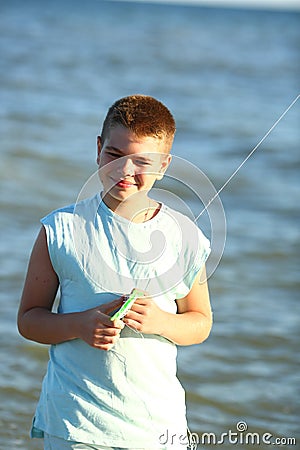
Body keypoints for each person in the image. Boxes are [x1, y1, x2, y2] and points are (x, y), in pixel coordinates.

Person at [17, 94, 213, 450]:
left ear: (165, 165)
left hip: (156, 427)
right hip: (75, 422)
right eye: (114, 155)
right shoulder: (61, 228)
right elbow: (29, 320)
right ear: (98, 148)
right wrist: (78, 325)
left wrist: (160, 322)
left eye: (142, 161)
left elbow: (200, 322)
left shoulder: (185, 235)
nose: (125, 171)